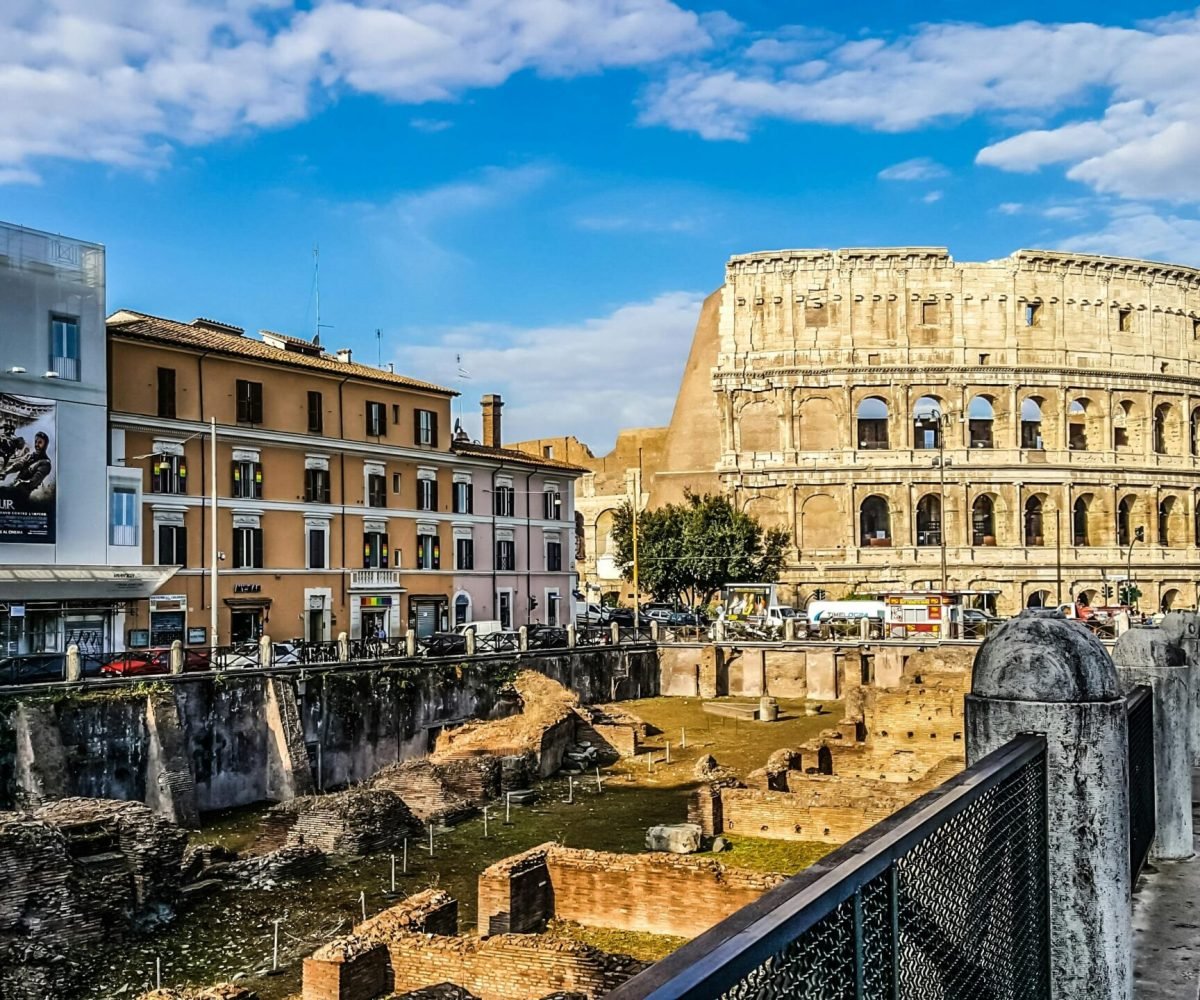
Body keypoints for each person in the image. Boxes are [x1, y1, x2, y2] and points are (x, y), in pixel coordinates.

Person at [1, 431, 50, 497]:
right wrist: (6, 472)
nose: (37, 445)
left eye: (40, 442)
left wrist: (21, 483)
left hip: (24, 494)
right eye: (36, 442)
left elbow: (34, 482)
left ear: (45, 445)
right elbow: (19, 465)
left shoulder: (45, 463)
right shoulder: (30, 456)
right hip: (16, 486)